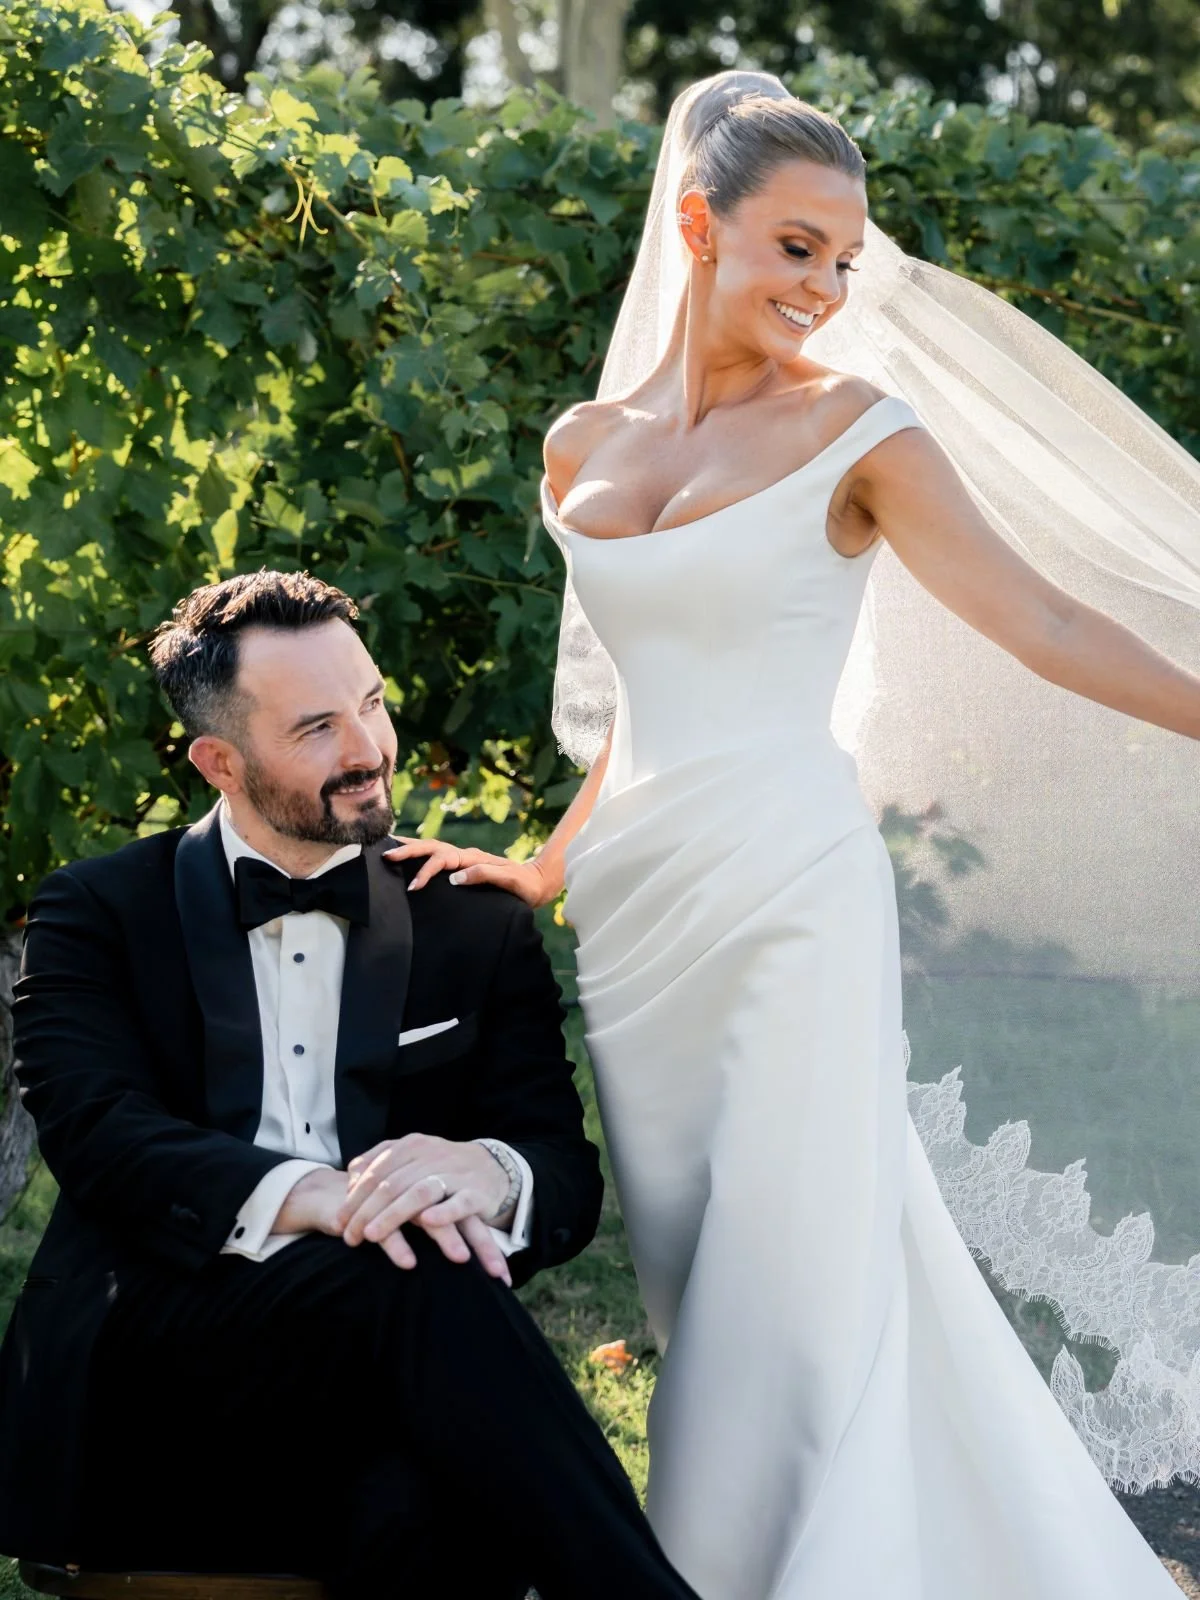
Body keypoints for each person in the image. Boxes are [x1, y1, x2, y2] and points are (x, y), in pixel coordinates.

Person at [388, 73, 1200, 1599]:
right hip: (641, 912)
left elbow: (1042, 619)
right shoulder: (583, 446)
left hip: (792, 892)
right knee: (701, 1281)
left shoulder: (862, 434)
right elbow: (644, 691)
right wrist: (550, 863)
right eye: (796, 248)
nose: (828, 288)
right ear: (698, 227)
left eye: (847, 257)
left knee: (804, 1269)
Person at [0, 570, 701, 1600]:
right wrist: (328, 1197)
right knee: (408, 1267)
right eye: (318, 727)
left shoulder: (472, 919)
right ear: (219, 761)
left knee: (416, 1500)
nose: (369, 749)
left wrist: (488, 1171)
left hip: (386, 1365)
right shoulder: (98, 911)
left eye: (372, 704)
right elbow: (102, 1137)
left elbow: (561, 1172)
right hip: (160, 1340)